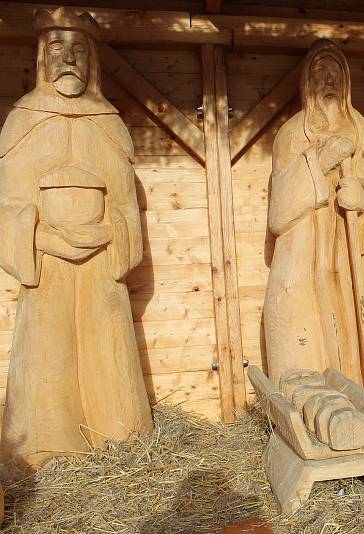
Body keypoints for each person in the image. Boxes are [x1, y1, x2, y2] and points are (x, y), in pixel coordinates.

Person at [0, 8, 152, 470]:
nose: (69, 58)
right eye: (57, 48)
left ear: (93, 61)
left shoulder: (108, 125)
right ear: (40, 57)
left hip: (102, 268)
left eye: (79, 49)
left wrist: (108, 234)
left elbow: (127, 208)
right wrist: (44, 241)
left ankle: (120, 438)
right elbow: (7, 209)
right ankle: (44, 449)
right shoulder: (23, 122)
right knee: (48, 361)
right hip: (47, 270)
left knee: (108, 355)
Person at [263, 39, 364, 435]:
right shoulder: (292, 134)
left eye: (334, 73)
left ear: (345, 82)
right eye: (318, 73)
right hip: (307, 255)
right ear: (306, 82)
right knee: (311, 338)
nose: (326, 80)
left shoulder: (363, 131)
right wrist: (319, 164)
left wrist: (360, 197)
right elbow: (279, 213)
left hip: (354, 256)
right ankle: (319, 421)